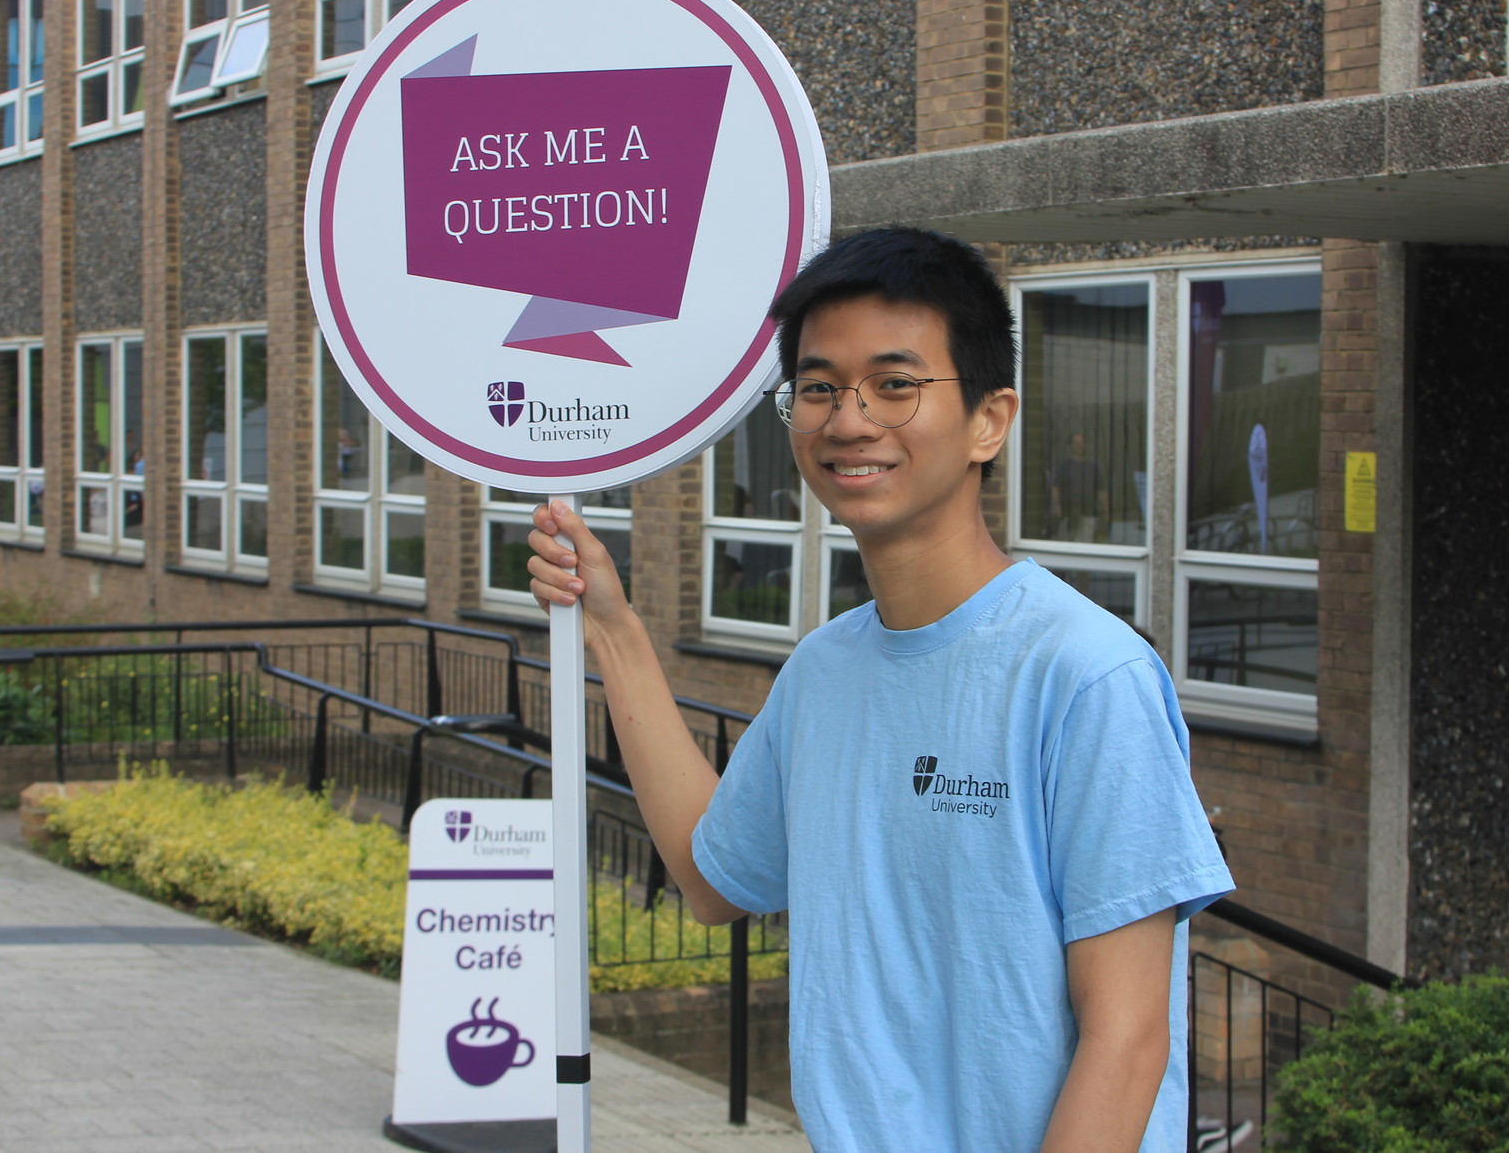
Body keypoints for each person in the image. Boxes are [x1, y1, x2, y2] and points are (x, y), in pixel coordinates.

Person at [528, 228, 1232, 1153]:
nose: (848, 420)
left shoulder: (1084, 674)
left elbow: (1128, 1037)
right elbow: (710, 879)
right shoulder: (823, 673)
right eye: (817, 388)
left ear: (991, 418)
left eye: (895, 385)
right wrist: (612, 626)